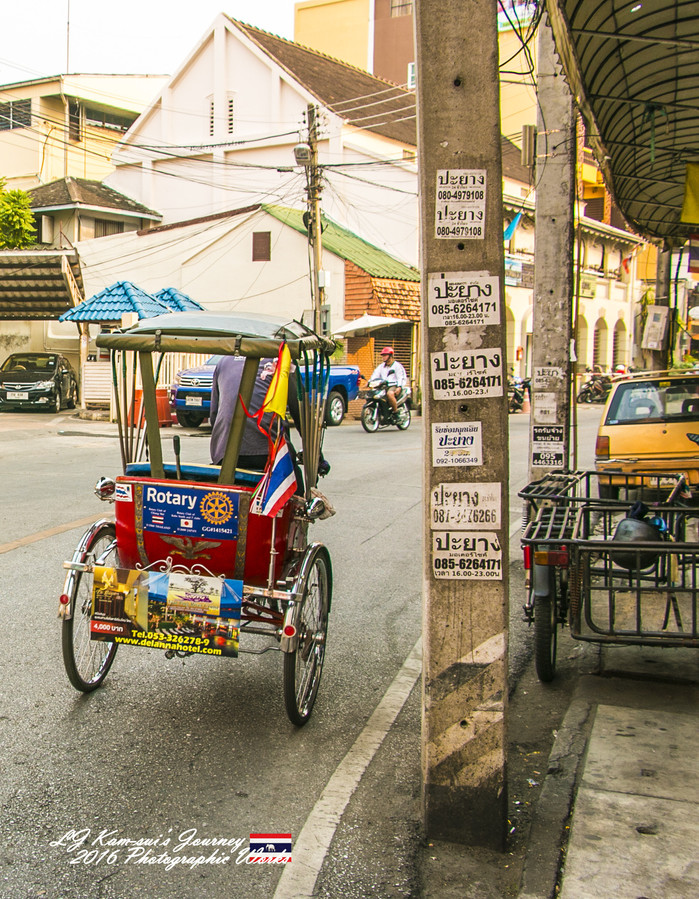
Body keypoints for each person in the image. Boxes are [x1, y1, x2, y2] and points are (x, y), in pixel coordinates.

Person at [210, 356, 283, 469]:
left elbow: (214, 413)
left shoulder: (223, 361)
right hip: (267, 451)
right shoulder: (278, 359)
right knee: (294, 479)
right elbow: (298, 410)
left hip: (224, 452)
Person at [370, 346, 407, 416]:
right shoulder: (381, 366)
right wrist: (369, 382)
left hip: (393, 385)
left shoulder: (397, 366)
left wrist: (399, 387)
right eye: (383, 355)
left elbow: (401, 377)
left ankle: (395, 412)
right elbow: (375, 375)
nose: (383, 357)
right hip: (382, 386)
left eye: (385, 355)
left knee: (390, 394)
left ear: (390, 356)